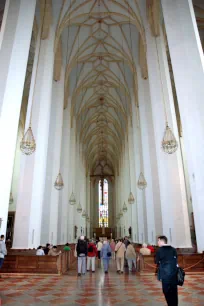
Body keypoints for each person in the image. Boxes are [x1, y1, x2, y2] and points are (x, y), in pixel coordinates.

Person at [156, 235, 178, 306]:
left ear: (161, 241)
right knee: (174, 292)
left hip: (165, 275)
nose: (157, 242)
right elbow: (176, 260)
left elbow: (156, 261)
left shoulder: (159, 250)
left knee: (166, 291)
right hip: (174, 274)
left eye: (158, 241)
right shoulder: (173, 249)